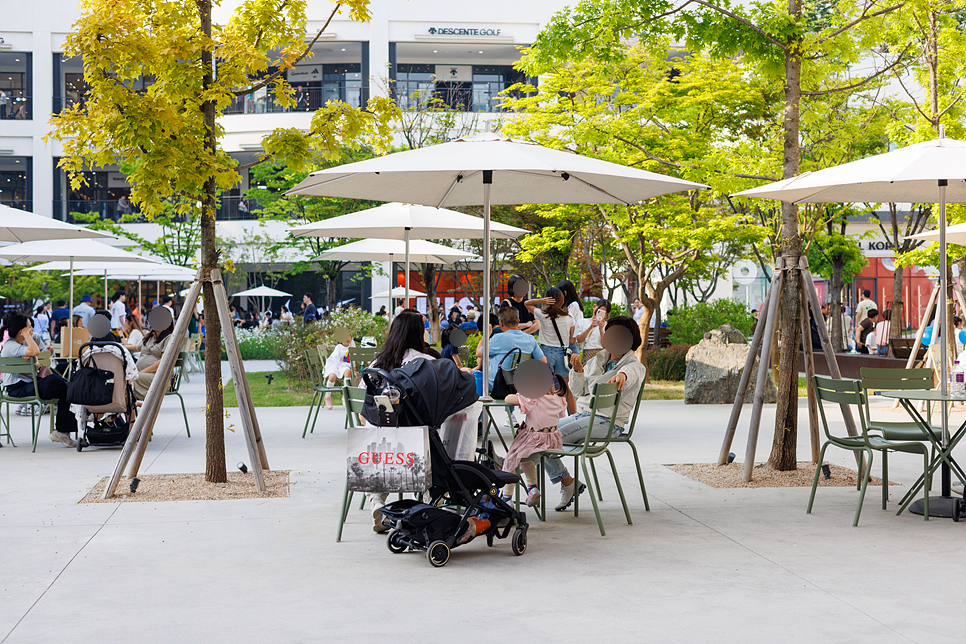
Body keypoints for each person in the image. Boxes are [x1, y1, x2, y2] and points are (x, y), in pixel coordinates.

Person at [544, 316, 647, 511]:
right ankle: (568, 482)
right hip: (584, 415)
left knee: (546, 440)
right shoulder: (599, 358)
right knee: (540, 433)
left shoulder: (634, 365)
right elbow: (578, 391)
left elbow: (631, 373)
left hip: (608, 423)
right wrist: (579, 370)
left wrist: (621, 376)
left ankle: (513, 472)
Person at [366, 310, 441, 532]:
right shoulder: (428, 362)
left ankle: (377, 502)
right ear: (419, 334)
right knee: (435, 441)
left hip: (377, 448)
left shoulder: (377, 363)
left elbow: (365, 407)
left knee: (385, 441)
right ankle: (430, 503)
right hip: (417, 446)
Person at [0, 313, 77, 446]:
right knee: (56, 381)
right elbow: (35, 351)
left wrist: (32, 354)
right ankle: (61, 431)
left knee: (66, 390)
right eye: (29, 327)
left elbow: (38, 352)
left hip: (32, 384)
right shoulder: (10, 346)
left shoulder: (27, 340)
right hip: (17, 388)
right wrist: (31, 350)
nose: (32, 330)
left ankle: (61, 432)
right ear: (21, 331)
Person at [500, 377, 569, 508]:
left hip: (535, 439)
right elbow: (560, 415)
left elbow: (508, 399)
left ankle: (506, 497)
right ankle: (532, 488)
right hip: (553, 440)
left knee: (512, 458)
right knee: (526, 459)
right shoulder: (559, 398)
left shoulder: (533, 398)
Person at [526, 287, 577, 414]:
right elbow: (572, 340)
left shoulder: (543, 315)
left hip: (546, 353)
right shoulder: (569, 318)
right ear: (562, 300)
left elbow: (527, 303)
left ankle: (552, 416)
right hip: (562, 353)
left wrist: (542, 301)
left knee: (549, 389)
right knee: (567, 389)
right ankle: (574, 417)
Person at [477, 304, 546, 390]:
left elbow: (479, 353)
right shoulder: (530, 339)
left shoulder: (498, 338)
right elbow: (543, 361)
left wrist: (486, 335)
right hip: (522, 386)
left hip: (497, 387)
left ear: (501, 323)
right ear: (518, 322)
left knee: (474, 376)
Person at [132, 313, 176, 400]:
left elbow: (163, 362)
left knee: (131, 380)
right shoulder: (150, 337)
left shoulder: (169, 338)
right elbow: (136, 347)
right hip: (143, 375)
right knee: (122, 378)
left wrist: (141, 372)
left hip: (159, 377)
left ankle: (131, 407)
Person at [322, 335, 355, 409]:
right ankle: (327, 396)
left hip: (343, 366)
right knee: (332, 376)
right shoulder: (338, 348)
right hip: (333, 365)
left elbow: (352, 359)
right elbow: (337, 363)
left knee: (348, 371)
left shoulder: (352, 346)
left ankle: (345, 395)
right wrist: (349, 365)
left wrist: (353, 368)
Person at [557, 279, 584, 357]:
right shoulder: (571, 305)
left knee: (570, 368)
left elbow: (565, 322)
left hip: (570, 343)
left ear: (565, 293)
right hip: (568, 343)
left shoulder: (573, 305)